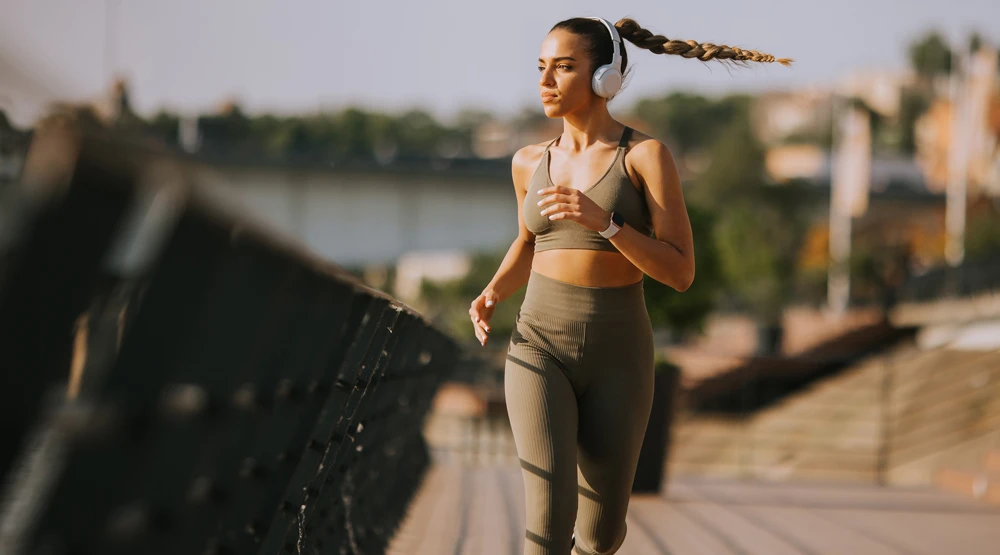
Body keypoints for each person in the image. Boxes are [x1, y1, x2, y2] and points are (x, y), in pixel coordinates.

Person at [468, 17, 790, 555]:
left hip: (620, 353)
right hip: (538, 344)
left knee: (599, 535)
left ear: (604, 79)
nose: (546, 80)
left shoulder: (644, 157)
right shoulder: (529, 162)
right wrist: (493, 291)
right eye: (542, 67)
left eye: (564, 67)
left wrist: (606, 223)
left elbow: (681, 271)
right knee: (546, 522)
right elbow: (529, 242)